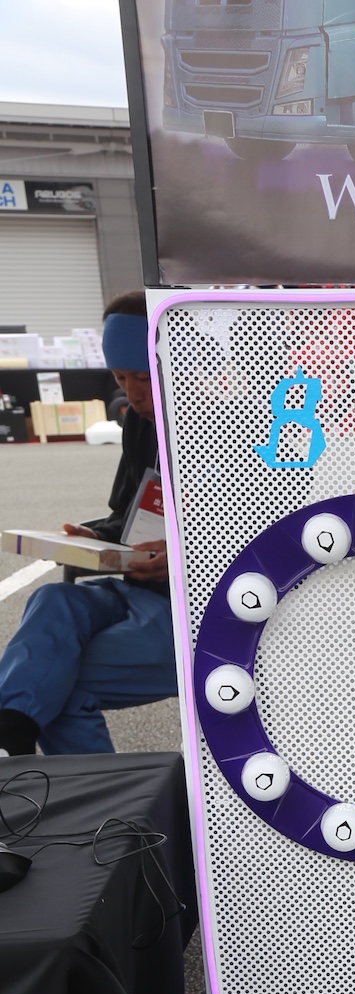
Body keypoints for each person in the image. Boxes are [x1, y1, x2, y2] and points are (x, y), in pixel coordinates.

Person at [0, 291, 176, 756]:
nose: (132, 394)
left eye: (143, 377)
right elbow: (128, 514)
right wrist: (96, 536)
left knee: (57, 683)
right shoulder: (140, 424)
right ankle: (12, 729)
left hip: (195, 611)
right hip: (140, 587)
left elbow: (257, 534)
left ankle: (91, 799)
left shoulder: (225, 427)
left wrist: (182, 556)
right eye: (120, 378)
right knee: (51, 599)